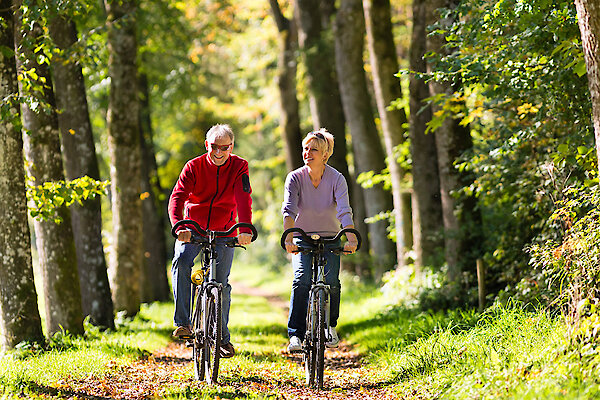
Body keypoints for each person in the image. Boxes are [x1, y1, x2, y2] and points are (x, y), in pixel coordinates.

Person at [168, 123, 253, 358]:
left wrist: (244, 228)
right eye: (214, 147)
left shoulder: (239, 166)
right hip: (192, 228)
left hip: (225, 229)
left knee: (221, 284)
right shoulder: (193, 167)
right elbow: (178, 197)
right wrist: (179, 225)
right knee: (182, 261)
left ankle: (222, 338)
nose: (218, 152)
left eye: (224, 148)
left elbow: (243, 198)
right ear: (207, 145)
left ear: (231, 147)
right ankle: (183, 322)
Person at [281, 128, 358, 352]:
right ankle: (295, 335)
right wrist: (289, 237)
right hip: (303, 239)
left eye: (313, 149)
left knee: (332, 282)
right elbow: (289, 211)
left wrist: (350, 238)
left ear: (325, 155)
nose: (307, 153)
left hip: (331, 238)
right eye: (305, 149)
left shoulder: (337, 179)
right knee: (301, 279)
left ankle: (330, 326)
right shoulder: (295, 177)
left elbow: (344, 211)